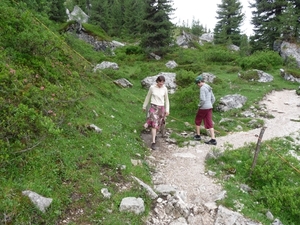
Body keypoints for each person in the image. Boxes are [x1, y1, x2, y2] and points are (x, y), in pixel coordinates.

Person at [143, 75, 170, 150]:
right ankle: (153, 142)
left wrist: (167, 110)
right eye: (160, 82)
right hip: (153, 107)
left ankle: (150, 127)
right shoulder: (152, 88)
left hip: (161, 108)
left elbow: (167, 100)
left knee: (159, 123)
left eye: (163, 82)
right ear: (157, 81)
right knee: (154, 124)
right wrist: (144, 106)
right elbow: (147, 97)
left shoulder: (165, 89)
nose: (161, 84)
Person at [194, 75, 217, 145]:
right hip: (210, 107)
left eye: (198, 83)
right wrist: (210, 104)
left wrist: (199, 106)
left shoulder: (202, 88)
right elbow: (213, 98)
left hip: (203, 107)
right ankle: (213, 139)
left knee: (197, 120)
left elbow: (203, 99)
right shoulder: (209, 87)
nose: (198, 85)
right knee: (209, 122)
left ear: (200, 82)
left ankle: (198, 135)